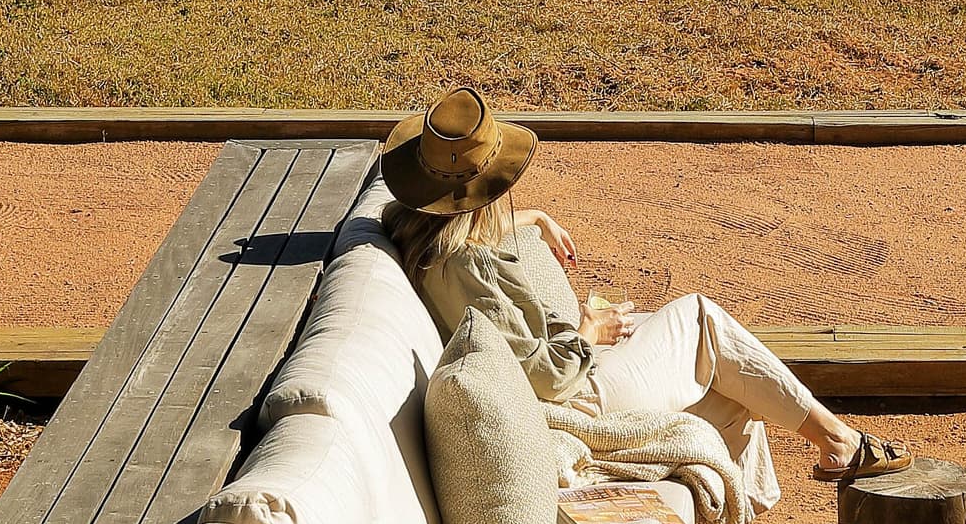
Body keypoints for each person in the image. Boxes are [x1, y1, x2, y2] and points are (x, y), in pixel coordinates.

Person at [378, 86, 905, 486]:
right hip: (575, 400)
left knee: (731, 393)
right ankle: (836, 439)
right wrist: (588, 331)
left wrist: (534, 218)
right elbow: (545, 376)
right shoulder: (469, 268)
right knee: (703, 320)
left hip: (572, 382)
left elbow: (463, 234)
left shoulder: (413, 229)